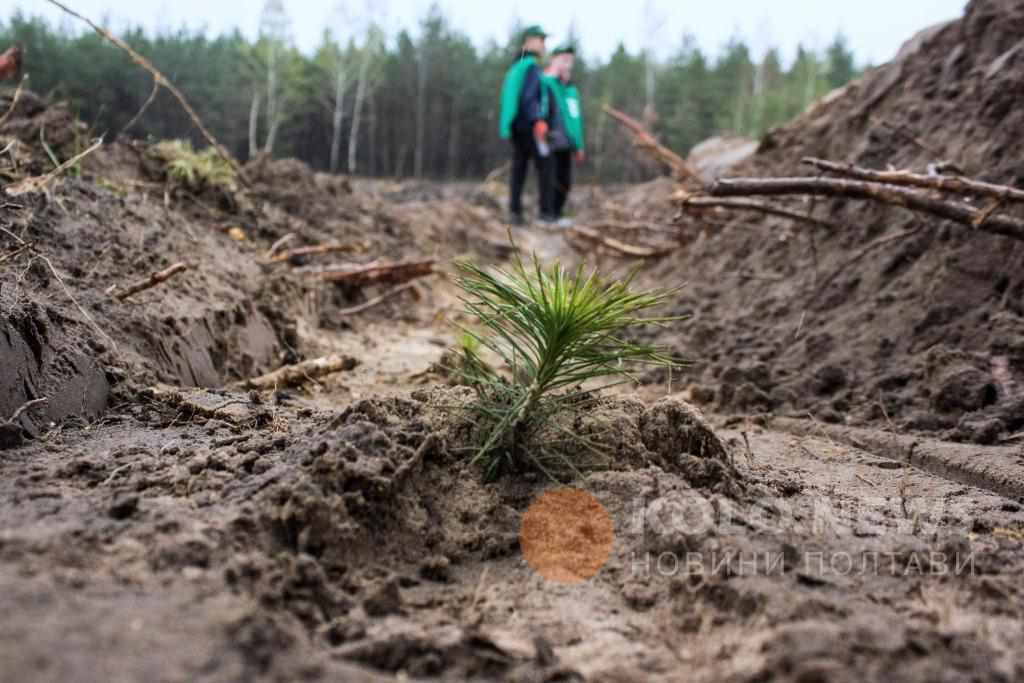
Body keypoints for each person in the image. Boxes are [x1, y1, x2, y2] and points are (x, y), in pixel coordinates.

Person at [499, 25, 556, 226]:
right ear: (530, 41)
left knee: (519, 168)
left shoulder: (516, 67)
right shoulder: (530, 66)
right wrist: (538, 121)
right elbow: (529, 97)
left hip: (516, 125)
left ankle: (515, 213)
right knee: (546, 166)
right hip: (530, 126)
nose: (544, 45)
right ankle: (546, 214)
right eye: (541, 40)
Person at [541, 44, 585, 228]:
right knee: (549, 179)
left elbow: (575, 120)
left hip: (567, 143)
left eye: (570, 60)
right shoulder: (546, 83)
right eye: (563, 59)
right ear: (554, 60)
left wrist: (579, 145)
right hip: (549, 140)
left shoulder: (571, 91)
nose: (567, 64)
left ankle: (557, 214)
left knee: (564, 181)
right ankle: (546, 215)